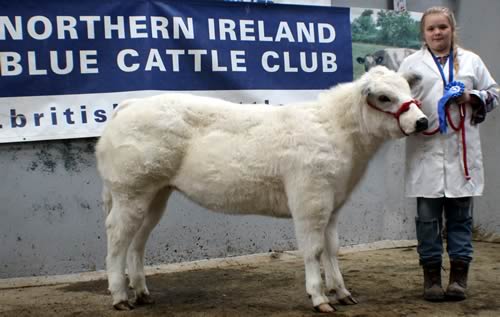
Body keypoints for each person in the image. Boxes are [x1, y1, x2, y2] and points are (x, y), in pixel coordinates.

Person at [398, 6, 499, 302]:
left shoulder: (471, 61)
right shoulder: (410, 64)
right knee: (427, 220)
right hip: (425, 151)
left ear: (452, 29)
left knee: (460, 219)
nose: (437, 32)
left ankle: (458, 279)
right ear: (424, 33)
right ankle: (431, 277)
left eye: (443, 27)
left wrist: (472, 96)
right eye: (431, 28)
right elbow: (397, 98)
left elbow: (494, 93)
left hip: (460, 153)